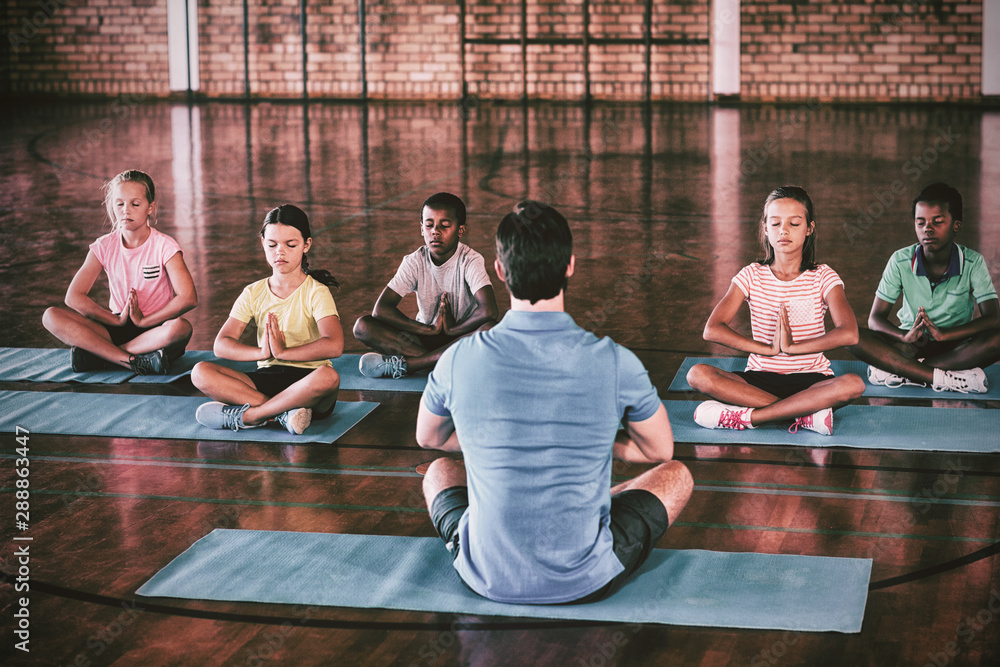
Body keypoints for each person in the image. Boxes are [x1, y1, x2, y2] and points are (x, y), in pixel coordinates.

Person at [416, 200, 693, 605]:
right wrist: (591, 442)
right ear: (570, 266)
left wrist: (493, 435)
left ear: (499, 270)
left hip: (485, 575)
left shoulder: (457, 358)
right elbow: (659, 450)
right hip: (584, 578)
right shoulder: (616, 360)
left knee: (439, 472)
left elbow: (431, 439)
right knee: (677, 475)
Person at [686, 186, 864, 435]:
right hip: (759, 379)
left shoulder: (823, 276)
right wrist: (767, 349)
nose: (784, 230)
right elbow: (712, 329)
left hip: (811, 381)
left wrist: (792, 348)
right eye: (776, 223)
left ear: (809, 228)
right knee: (697, 375)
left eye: (794, 223)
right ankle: (802, 416)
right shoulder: (751, 275)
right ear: (765, 228)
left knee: (853, 385)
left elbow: (849, 334)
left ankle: (750, 417)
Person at [191, 204, 342, 435]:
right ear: (262, 242)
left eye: (290, 245)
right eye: (272, 245)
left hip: (309, 381)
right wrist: (263, 353)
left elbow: (334, 344)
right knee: (200, 371)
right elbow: (222, 344)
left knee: (329, 377)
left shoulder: (316, 292)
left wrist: (284, 353)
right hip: (267, 377)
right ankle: (283, 414)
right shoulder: (253, 292)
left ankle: (252, 415)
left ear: (306, 245)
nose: (279, 252)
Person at [847, 183, 999, 393]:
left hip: (955, 346)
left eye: (937, 222)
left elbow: (993, 318)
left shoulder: (974, 263)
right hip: (909, 345)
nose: (927, 228)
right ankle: (944, 378)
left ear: (956, 225)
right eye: (921, 222)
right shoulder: (900, 260)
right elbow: (875, 319)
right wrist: (904, 336)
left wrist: (945, 334)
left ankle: (900, 370)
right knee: (850, 336)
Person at [42, 169, 196, 375]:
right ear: (111, 206)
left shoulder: (164, 246)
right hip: (115, 326)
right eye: (120, 204)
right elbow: (74, 297)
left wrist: (144, 321)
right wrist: (114, 320)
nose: (126, 210)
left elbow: (188, 297)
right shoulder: (104, 245)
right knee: (50, 316)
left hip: (155, 330)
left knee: (181, 328)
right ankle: (130, 360)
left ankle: (101, 355)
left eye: (135, 204)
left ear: (150, 208)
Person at [353, 192, 498, 378]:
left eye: (445, 226)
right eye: (429, 225)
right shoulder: (414, 261)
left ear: (461, 230)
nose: (435, 231)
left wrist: (452, 329)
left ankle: (410, 365)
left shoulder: (470, 260)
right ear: (422, 229)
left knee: (490, 329)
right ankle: (444, 363)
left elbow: (489, 311)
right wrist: (430, 329)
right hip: (423, 339)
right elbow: (381, 310)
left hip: (460, 337)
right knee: (363, 326)